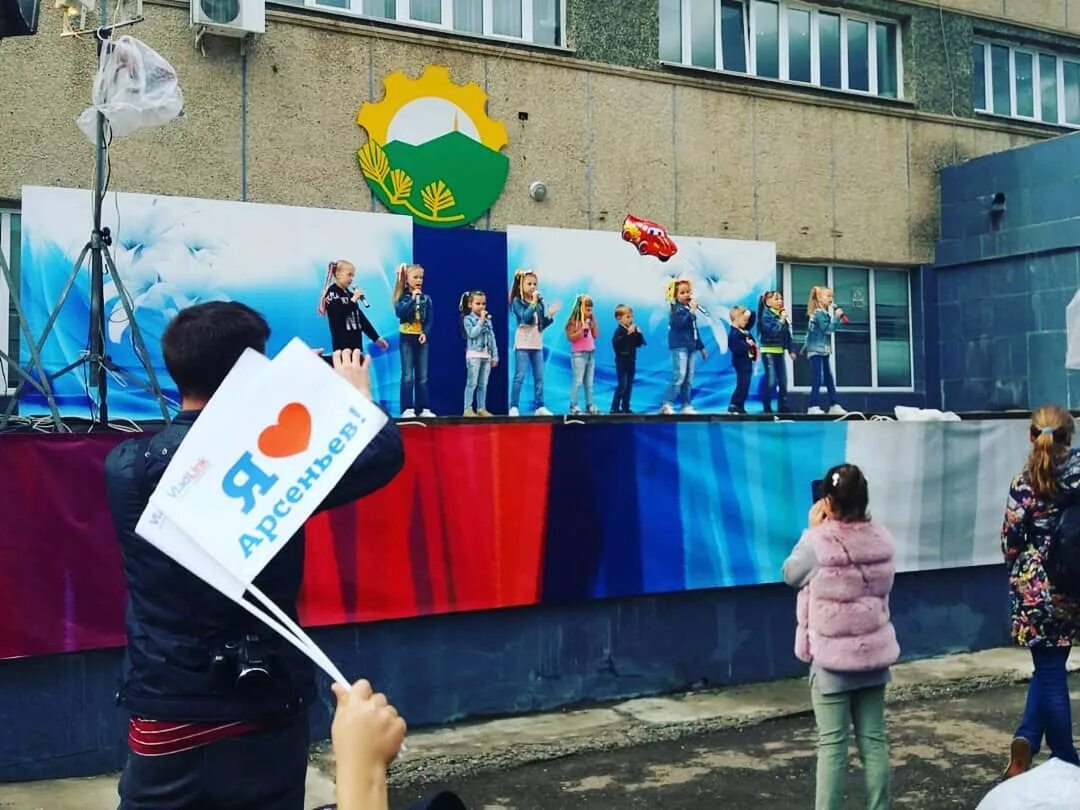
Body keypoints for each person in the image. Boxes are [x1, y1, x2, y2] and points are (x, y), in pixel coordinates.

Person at [104, 301, 405, 810]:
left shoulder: (125, 467)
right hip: (259, 709)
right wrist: (350, 394)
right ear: (247, 374)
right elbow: (382, 453)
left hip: (165, 707)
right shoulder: (262, 464)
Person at [782, 464, 900, 810]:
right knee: (874, 741)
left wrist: (811, 530)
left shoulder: (817, 543)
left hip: (832, 662)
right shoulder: (883, 539)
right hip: (874, 655)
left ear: (828, 503)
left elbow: (790, 573)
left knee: (832, 745)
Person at [1000, 405, 1080, 778]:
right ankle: (1028, 738)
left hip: (1036, 584)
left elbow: (1011, 540)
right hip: (1072, 583)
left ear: (1033, 437)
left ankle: (1064, 759)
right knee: (1050, 668)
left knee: (1048, 672)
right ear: (1071, 437)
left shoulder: (1024, 482)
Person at [508, 269, 559, 417]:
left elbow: (541, 324)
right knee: (520, 376)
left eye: (535, 284)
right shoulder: (518, 301)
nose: (532, 287)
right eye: (529, 284)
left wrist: (550, 315)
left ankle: (540, 406)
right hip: (523, 344)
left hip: (537, 344)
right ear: (521, 285)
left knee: (539, 377)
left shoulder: (539, 303)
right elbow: (524, 318)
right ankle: (514, 406)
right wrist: (533, 304)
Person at [318, 259, 390, 354]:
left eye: (353, 276)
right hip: (342, 348)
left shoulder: (350, 294)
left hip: (356, 345)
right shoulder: (332, 294)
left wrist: (376, 338)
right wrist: (353, 300)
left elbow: (361, 319)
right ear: (338, 274)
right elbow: (338, 315)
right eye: (349, 275)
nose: (351, 278)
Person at [393, 263, 436, 418]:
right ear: (407, 279)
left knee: (422, 376)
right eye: (415, 277)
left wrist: (425, 332)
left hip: (421, 338)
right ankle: (407, 408)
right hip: (406, 338)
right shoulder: (403, 297)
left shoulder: (426, 299)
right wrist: (412, 299)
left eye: (421, 277)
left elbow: (429, 319)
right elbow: (400, 312)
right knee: (407, 375)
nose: (419, 280)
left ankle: (423, 407)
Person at [661, 278, 706, 415]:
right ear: (675, 296)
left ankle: (686, 405)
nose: (687, 295)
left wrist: (701, 347)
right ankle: (667, 404)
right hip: (680, 346)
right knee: (679, 375)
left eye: (688, 292)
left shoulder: (687, 310)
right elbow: (681, 324)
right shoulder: (675, 310)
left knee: (688, 378)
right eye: (682, 292)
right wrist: (691, 312)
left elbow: (694, 330)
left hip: (691, 347)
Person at [804, 286, 846, 416]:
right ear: (819, 298)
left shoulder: (823, 313)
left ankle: (834, 404)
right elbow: (827, 329)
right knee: (817, 378)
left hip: (823, 350)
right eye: (828, 296)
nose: (831, 299)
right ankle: (813, 406)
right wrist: (837, 317)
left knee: (828, 377)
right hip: (816, 350)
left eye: (832, 296)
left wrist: (838, 319)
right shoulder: (819, 313)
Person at [460, 290, 499, 417]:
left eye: (484, 304)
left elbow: (492, 337)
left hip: (486, 355)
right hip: (474, 356)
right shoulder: (468, 319)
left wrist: (494, 355)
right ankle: (467, 408)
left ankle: (481, 408)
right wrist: (481, 321)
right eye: (478, 303)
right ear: (470, 304)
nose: (482, 306)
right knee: (472, 383)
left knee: (483, 384)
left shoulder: (488, 320)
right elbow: (472, 334)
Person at [757, 290, 796, 414]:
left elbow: (787, 334)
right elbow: (772, 332)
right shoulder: (765, 315)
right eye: (776, 299)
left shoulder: (782, 315)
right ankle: (767, 407)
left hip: (779, 351)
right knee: (771, 380)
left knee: (783, 380)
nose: (780, 301)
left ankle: (783, 406)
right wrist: (781, 320)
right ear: (768, 302)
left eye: (780, 299)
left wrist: (791, 350)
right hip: (768, 351)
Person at [565, 294, 600, 415]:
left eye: (591, 310)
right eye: (587, 309)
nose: (590, 312)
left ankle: (589, 404)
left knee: (589, 383)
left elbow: (595, 335)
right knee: (578, 381)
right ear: (580, 308)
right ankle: (573, 405)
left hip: (591, 354)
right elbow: (571, 338)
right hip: (579, 355)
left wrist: (592, 319)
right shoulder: (573, 322)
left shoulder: (590, 320)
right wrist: (581, 330)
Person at [611, 304, 645, 414]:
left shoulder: (631, 330)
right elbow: (617, 344)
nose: (630, 319)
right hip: (622, 362)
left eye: (631, 317)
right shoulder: (619, 331)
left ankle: (626, 407)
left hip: (631, 361)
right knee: (622, 385)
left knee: (629, 386)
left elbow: (639, 343)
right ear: (619, 318)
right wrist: (627, 334)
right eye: (628, 317)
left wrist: (639, 334)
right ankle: (614, 408)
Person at [726, 305, 757, 415]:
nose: (746, 322)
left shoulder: (744, 331)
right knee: (742, 383)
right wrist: (747, 345)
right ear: (736, 318)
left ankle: (740, 405)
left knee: (746, 384)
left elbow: (752, 317)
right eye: (744, 320)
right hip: (740, 362)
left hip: (747, 361)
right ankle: (734, 403)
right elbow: (736, 347)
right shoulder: (734, 333)